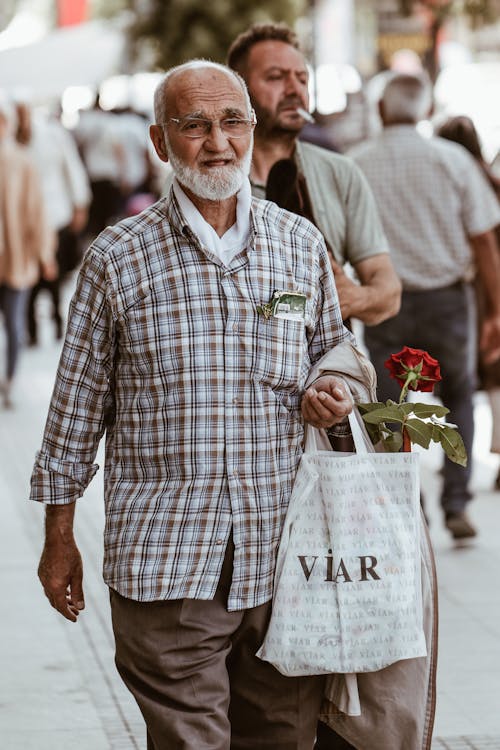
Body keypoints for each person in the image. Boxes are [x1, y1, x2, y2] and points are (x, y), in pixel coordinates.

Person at [30, 60, 358, 749]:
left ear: (251, 127)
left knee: (282, 736)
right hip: (167, 561)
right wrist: (58, 537)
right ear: (159, 142)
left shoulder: (299, 245)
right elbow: (75, 408)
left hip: (282, 557)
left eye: (232, 121)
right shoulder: (117, 257)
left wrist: (335, 390)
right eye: (194, 125)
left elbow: (338, 353)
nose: (219, 141)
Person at [350, 73, 500, 541]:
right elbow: (483, 242)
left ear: (380, 111)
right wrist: (496, 310)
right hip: (449, 300)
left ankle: (407, 504)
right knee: (458, 397)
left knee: (392, 406)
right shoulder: (452, 160)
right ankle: (456, 502)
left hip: (385, 302)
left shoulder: (357, 164)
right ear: (425, 108)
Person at [227, 23, 402, 329]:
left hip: (328, 371)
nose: (295, 90)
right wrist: (311, 303)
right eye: (276, 78)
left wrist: (355, 297)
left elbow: (389, 291)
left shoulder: (340, 172)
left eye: (302, 78)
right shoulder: (209, 180)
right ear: (238, 90)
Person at [436, 115, 500, 491]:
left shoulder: (452, 176)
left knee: (460, 380)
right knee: (492, 371)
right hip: (487, 286)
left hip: (470, 287)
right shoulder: (489, 180)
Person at [14, 101, 90, 344]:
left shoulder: (52, 133)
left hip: (54, 213)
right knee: (29, 274)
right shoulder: (10, 141)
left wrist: (80, 203)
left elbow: (72, 167)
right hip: (25, 218)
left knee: (54, 272)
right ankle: (31, 328)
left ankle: (57, 322)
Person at [0, 95, 55, 408]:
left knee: (14, 321)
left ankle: (10, 378)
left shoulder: (22, 162)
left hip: (17, 257)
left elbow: (36, 212)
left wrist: (44, 254)